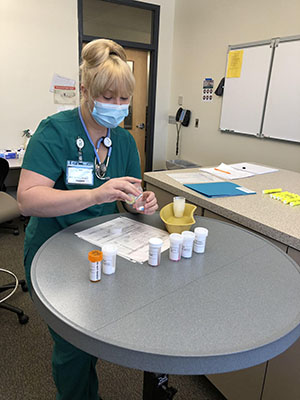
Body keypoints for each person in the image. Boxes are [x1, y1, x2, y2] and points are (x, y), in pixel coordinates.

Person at [17, 38, 158, 400]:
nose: (117, 106)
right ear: (85, 90)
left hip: (104, 245)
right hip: (54, 247)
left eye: (124, 99)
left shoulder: (124, 142)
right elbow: (27, 200)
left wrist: (140, 202)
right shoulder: (55, 131)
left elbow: (127, 197)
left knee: (98, 327)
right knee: (73, 346)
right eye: (107, 97)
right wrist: (96, 194)